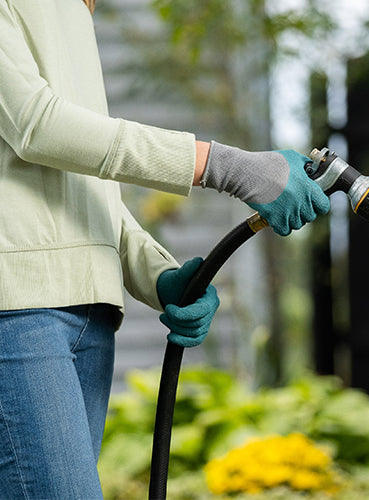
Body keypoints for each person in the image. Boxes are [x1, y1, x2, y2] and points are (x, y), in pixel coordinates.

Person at [0, 0, 330, 498]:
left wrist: (153, 271)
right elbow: (35, 125)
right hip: (15, 311)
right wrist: (225, 166)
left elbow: (76, 168)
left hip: (89, 310)